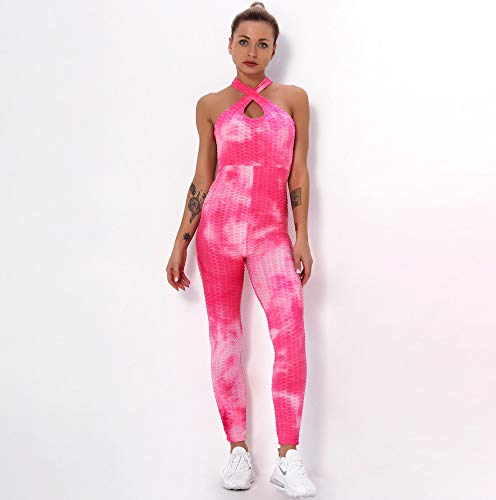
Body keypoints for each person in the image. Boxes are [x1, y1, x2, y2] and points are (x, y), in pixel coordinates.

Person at [166, 2, 316, 497]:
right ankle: (237, 451)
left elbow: (298, 171)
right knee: (225, 340)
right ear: (230, 46)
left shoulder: (293, 99)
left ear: (274, 51)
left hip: (272, 235)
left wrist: (302, 236)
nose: (253, 50)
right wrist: (181, 242)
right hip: (218, 234)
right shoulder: (210, 105)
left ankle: (288, 457)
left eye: (263, 43)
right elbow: (202, 177)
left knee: (290, 333)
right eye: (244, 41)